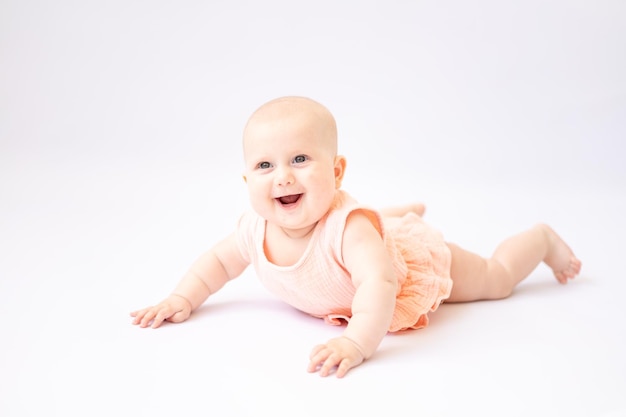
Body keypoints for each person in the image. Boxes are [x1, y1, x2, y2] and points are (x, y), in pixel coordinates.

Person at [130, 96, 582, 378]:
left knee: (494, 279)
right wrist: (181, 298)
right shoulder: (254, 229)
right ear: (246, 180)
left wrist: (357, 342)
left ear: (337, 171)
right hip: (368, 242)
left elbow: (379, 284)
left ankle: (541, 240)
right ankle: (399, 212)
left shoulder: (349, 231)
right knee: (371, 227)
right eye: (265, 166)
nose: (282, 177)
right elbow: (217, 264)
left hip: (406, 265)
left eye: (301, 158)